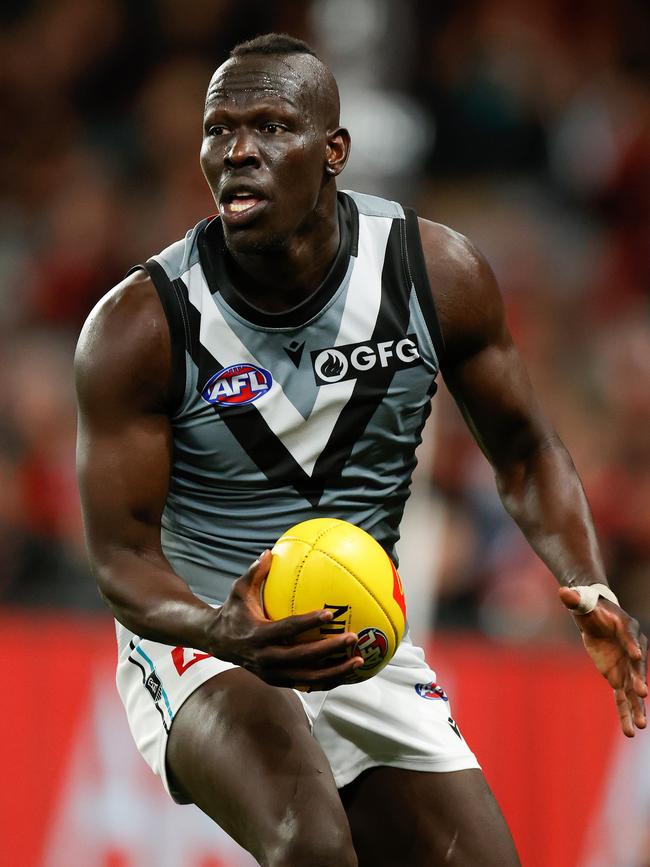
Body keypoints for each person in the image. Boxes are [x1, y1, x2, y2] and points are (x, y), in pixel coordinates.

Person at [75, 33, 647, 867]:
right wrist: (224, 629)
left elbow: (524, 450)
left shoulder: (434, 273)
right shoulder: (138, 325)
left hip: (352, 624)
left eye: (270, 127)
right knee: (311, 845)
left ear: (333, 151)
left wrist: (585, 578)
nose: (237, 151)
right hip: (198, 630)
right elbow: (121, 558)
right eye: (219, 129)